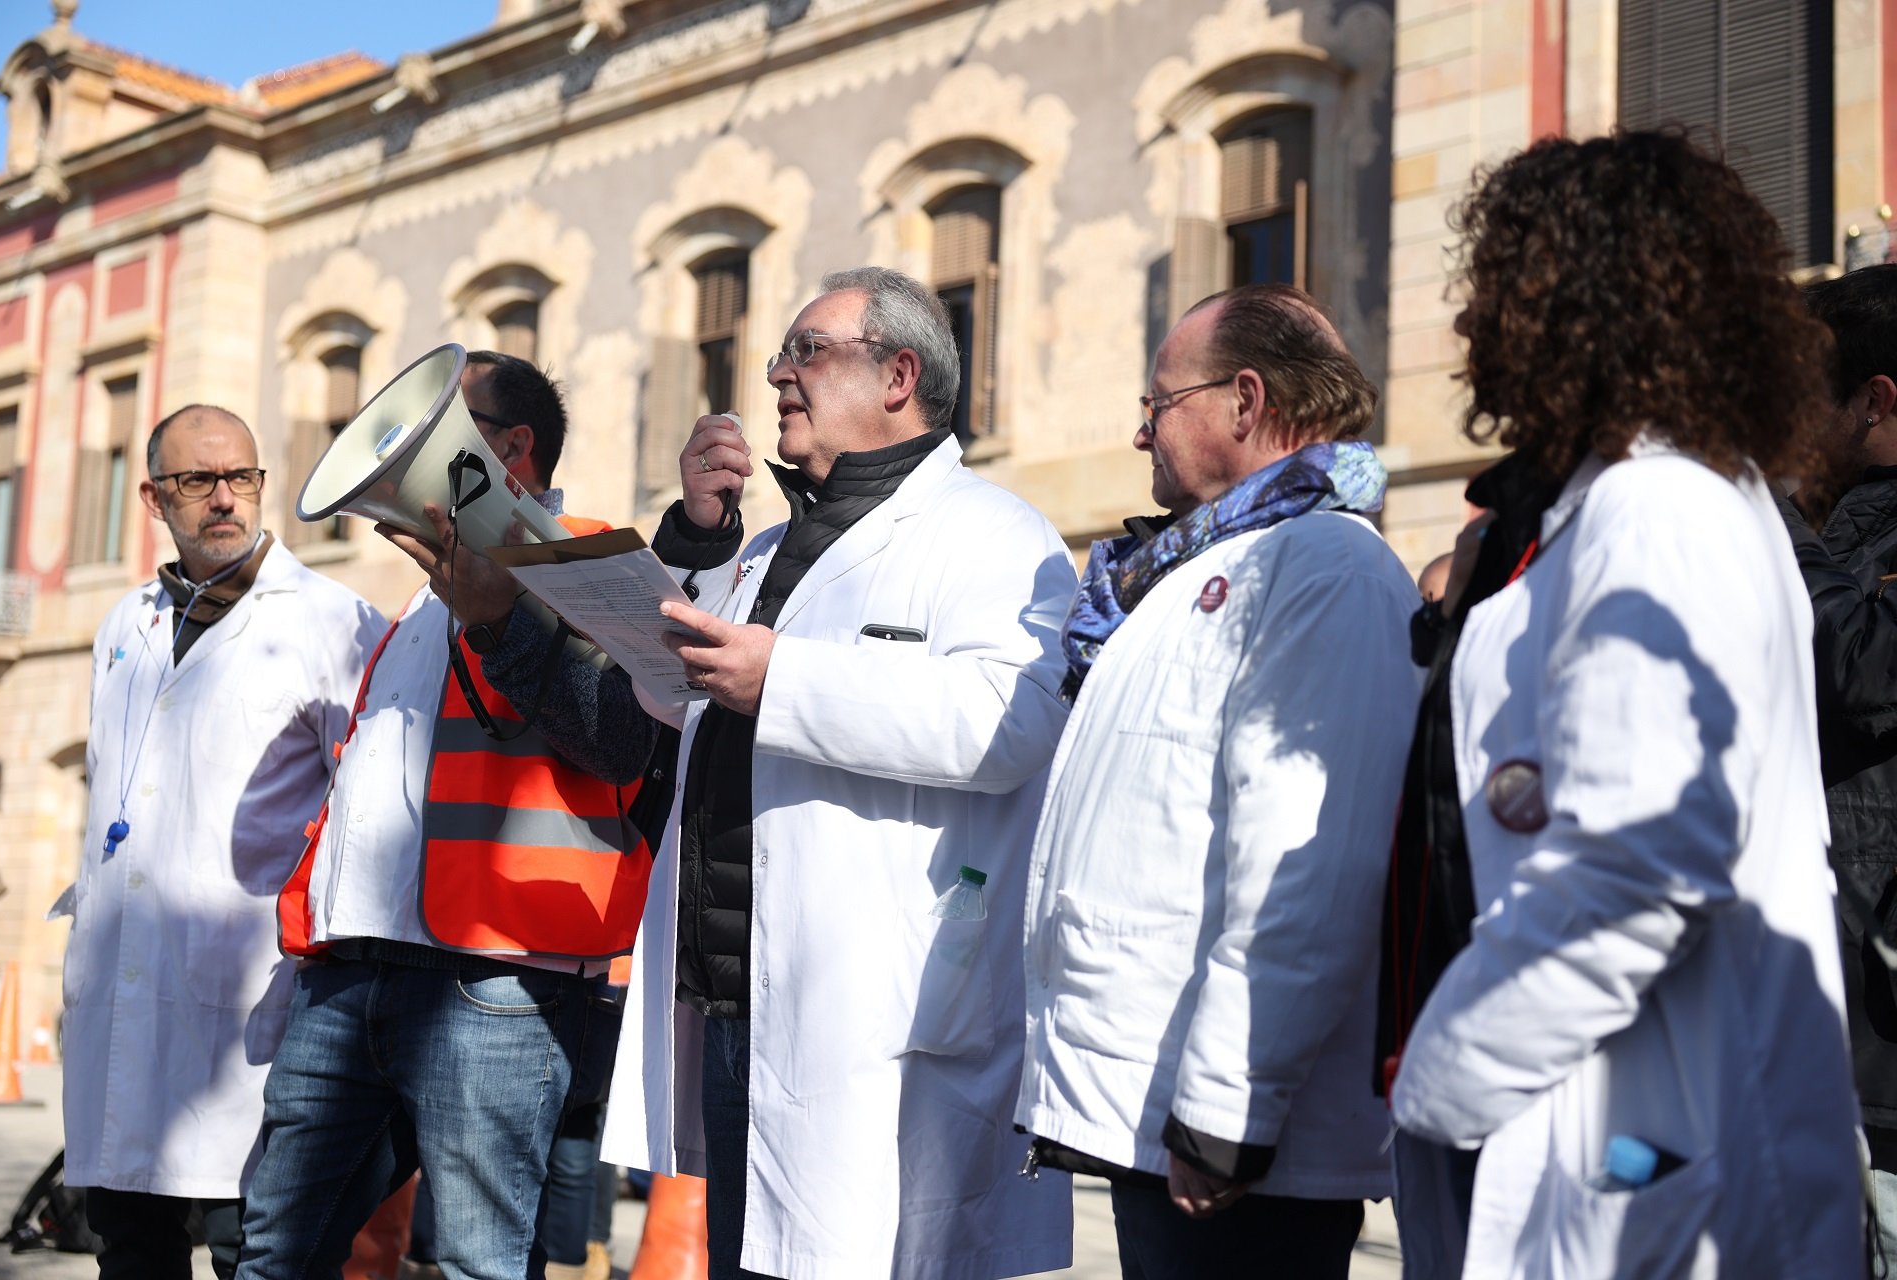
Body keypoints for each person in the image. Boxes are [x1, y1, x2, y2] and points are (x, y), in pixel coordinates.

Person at [478, 267, 1078, 1278]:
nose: (776, 376)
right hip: (732, 993)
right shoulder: (763, 546)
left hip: (878, 1009)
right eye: (780, 357)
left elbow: (1007, 723)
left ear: (899, 372)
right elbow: (676, 694)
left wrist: (784, 677)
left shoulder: (997, 534)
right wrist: (701, 539)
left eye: (806, 351)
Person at [1387, 130, 1863, 1277]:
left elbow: (1639, 867)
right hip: (1623, 1114)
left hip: (1647, 1130)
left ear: (1580, 306)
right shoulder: (1670, 498)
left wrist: (1440, 1077)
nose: (1468, 329)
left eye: (1497, 291)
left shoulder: (1660, 511)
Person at [1013, 283, 1417, 1279]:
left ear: (1244, 401)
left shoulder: (1325, 567)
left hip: (1231, 1141)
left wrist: (1232, 1105)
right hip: (1163, 1101)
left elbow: (1308, 862)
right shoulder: (1205, 563)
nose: (1140, 431)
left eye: (1159, 404)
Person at [236, 352, 660, 1280]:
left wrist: (500, 619)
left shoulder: (595, 559)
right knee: (271, 1250)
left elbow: (625, 741)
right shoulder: (415, 610)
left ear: (510, 448)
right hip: (355, 969)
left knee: (476, 1263)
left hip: (499, 979)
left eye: (440, 428)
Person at [62, 405, 382, 1280]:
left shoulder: (335, 623)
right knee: (129, 1247)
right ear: (153, 497)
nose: (224, 499)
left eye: (241, 477)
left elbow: (365, 819)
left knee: (256, 1250)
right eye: (197, 481)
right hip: (123, 987)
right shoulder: (126, 625)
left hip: (251, 1008)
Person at [1776, 261, 1897, 1261]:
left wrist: (1769, 506)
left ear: (1873, 400)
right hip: (1839, 1037)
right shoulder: (1844, 523)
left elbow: (1855, 666)